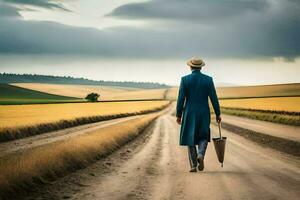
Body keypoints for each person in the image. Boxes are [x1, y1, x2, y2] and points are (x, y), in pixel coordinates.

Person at [176, 57, 221, 172]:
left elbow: (181, 99)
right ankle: (201, 154)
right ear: (201, 67)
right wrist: (218, 114)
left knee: (190, 138)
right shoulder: (208, 80)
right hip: (203, 112)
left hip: (189, 112)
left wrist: (178, 115)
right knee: (203, 136)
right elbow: (214, 99)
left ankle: (193, 165)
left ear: (190, 67)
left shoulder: (185, 80)